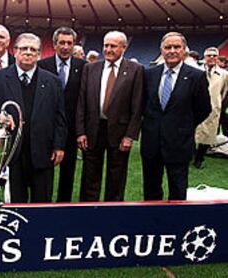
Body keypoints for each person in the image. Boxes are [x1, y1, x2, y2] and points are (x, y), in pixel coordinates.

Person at [0, 33, 67, 203]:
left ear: (39, 54)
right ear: (15, 51)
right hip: (12, 153)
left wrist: (59, 146)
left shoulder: (53, 81)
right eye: (24, 48)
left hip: (43, 152)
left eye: (33, 49)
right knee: (15, 203)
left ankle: (41, 230)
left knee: (42, 203)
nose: (28, 52)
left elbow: (60, 117)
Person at [141, 32, 211, 200]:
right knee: (151, 189)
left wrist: (184, 125)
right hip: (152, 143)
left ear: (184, 50)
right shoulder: (150, 74)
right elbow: (143, 105)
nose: (172, 50)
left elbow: (204, 108)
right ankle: (152, 223)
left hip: (179, 143)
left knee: (178, 190)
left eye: (176, 47)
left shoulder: (196, 76)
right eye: (167, 47)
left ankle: (176, 224)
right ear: (161, 51)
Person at [76, 31, 143, 202]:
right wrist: (80, 131)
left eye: (113, 46)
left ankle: (113, 209)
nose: (108, 49)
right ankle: (88, 209)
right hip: (93, 129)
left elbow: (137, 106)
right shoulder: (90, 68)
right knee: (90, 173)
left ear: (124, 47)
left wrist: (130, 135)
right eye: (106, 45)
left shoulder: (135, 70)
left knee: (117, 175)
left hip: (120, 131)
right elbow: (82, 101)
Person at [38, 27, 86, 202]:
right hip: (47, 128)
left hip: (71, 129)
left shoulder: (83, 66)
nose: (66, 47)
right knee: (45, 169)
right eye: (62, 43)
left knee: (68, 170)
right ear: (54, 44)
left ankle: (63, 205)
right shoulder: (43, 65)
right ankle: (44, 202)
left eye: (69, 43)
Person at [194, 47, 228, 169]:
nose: (212, 57)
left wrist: (217, 103)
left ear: (217, 57)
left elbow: (224, 92)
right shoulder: (196, 71)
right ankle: (191, 155)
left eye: (214, 55)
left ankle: (199, 158)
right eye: (209, 55)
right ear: (205, 57)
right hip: (196, 108)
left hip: (213, 109)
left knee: (208, 135)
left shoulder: (224, 74)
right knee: (193, 133)